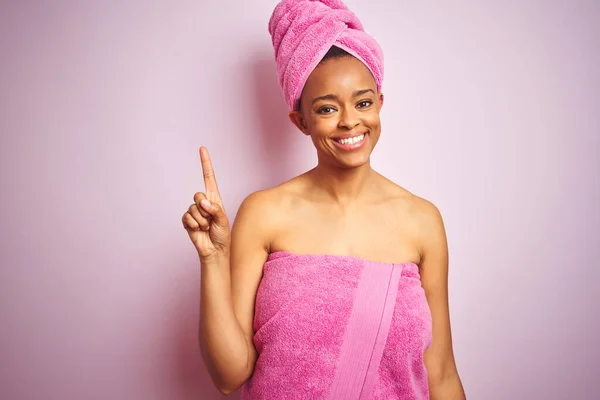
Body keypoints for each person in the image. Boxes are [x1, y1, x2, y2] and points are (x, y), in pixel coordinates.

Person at [182, 1, 465, 398]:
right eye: (327, 108)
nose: (350, 121)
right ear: (301, 121)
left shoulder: (421, 221)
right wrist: (212, 260)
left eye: (363, 102)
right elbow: (230, 375)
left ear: (379, 104)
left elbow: (441, 373)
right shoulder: (265, 213)